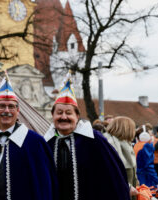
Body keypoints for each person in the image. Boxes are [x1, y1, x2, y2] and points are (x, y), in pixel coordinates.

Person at [44, 72, 130, 200]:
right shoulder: (46, 143)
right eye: (59, 112)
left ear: (77, 116)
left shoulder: (95, 140)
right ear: (53, 115)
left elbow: (113, 175)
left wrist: (125, 188)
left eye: (69, 113)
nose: (63, 117)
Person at [0, 74, 59, 200]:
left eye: (11, 106)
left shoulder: (35, 143)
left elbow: (44, 186)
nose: (6, 111)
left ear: (18, 111)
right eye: (2, 106)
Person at [103, 116, 138, 199]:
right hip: (120, 192)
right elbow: (111, 170)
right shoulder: (111, 142)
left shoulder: (125, 142)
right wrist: (128, 186)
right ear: (125, 129)